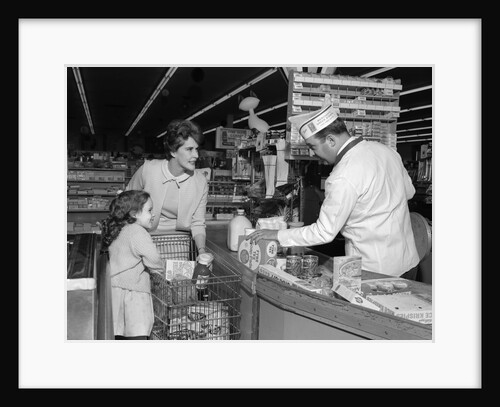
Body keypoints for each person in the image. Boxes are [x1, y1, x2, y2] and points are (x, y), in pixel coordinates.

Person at [247, 96, 420, 279]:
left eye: (313, 146)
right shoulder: (386, 151)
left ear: (330, 140)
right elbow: (409, 192)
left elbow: (324, 232)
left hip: (375, 271)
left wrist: (277, 234)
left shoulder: (342, 175)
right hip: (408, 262)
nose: (313, 154)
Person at [126, 119, 208, 257]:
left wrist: (202, 251)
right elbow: (127, 199)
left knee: (177, 278)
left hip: (178, 243)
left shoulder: (200, 182)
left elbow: (198, 223)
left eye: (196, 149)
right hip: (144, 236)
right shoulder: (148, 170)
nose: (196, 155)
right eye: (189, 149)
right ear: (173, 151)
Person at [100, 190, 165, 339]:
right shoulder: (138, 232)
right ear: (134, 213)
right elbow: (153, 257)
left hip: (114, 290)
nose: (153, 214)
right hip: (134, 293)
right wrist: (159, 270)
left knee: (118, 332)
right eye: (149, 210)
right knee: (137, 334)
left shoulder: (119, 228)